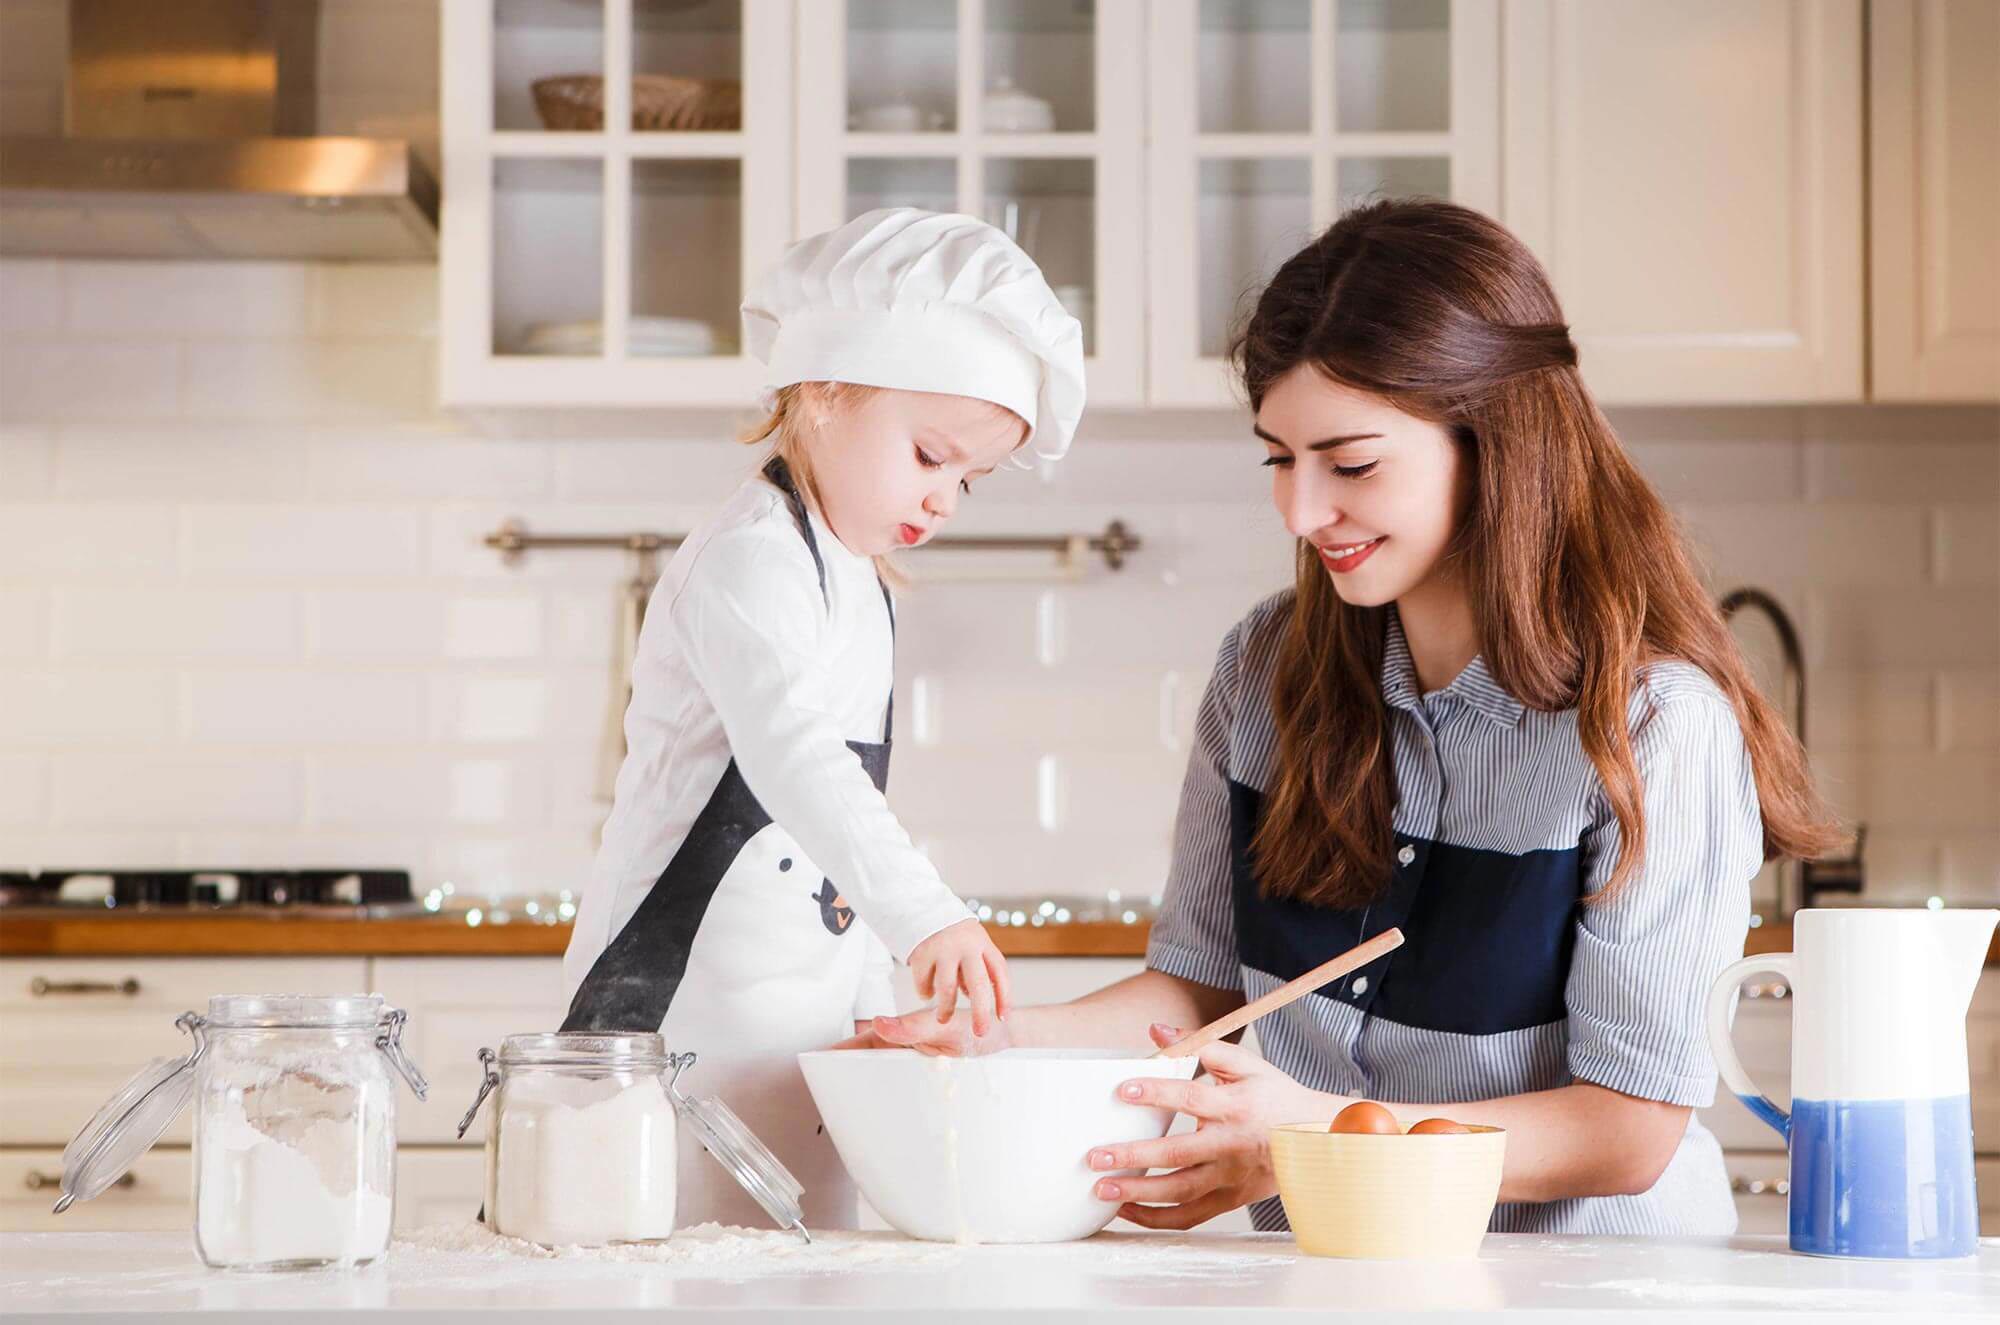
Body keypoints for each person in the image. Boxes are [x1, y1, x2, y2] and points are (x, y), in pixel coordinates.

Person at [854, 199, 1842, 1236]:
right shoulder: (1263, 666)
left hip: (1580, 1289)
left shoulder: (1650, 727)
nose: (1298, 509)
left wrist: (1307, 1135)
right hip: (1330, 1272)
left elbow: (1625, 1128)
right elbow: (1196, 992)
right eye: (1278, 457)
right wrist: (997, 1040)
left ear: (1493, 438)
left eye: (1350, 462)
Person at [562, 207, 1086, 1228]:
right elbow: (793, 761)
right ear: (825, 390)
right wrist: (927, 914)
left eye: (967, 478)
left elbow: (832, 843)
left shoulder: (855, 580)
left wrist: (879, 1008)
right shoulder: (749, 559)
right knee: (658, 1256)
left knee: (795, 1264)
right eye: (931, 453)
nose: (945, 500)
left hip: (791, 1032)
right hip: (679, 1008)